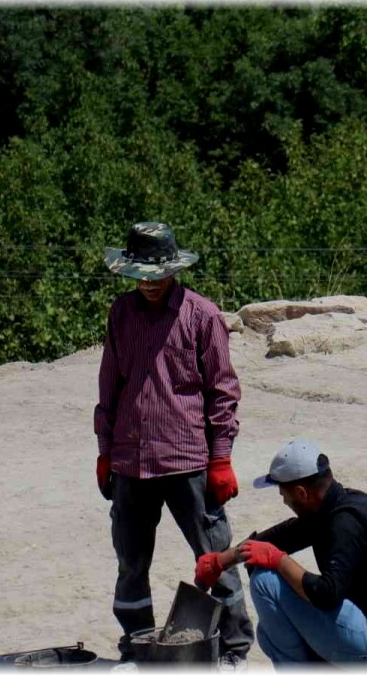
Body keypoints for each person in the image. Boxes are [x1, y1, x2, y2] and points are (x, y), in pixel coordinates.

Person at [94, 221, 254, 668]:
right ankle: (136, 646)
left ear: (174, 270)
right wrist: (105, 449)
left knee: (215, 558)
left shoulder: (202, 316)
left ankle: (234, 650)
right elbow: (110, 385)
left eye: (157, 274)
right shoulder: (121, 314)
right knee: (131, 563)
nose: (149, 283)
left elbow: (223, 391)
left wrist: (221, 458)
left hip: (188, 461)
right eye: (141, 275)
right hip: (131, 460)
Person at [193, 438, 367, 668]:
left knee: (265, 582)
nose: (284, 501)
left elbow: (326, 594)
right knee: (268, 633)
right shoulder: (331, 507)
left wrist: (279, 560)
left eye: (283, 494)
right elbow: (276, 538)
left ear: (301, 493)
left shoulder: (345, 523)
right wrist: (220, 561)